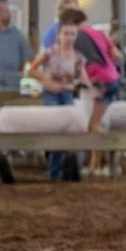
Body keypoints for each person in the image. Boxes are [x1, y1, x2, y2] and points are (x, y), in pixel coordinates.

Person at [28, 18, 97, 182]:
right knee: (57, 130)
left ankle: (71, 169)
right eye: (66, 33)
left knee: (73, 129)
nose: (69, 37)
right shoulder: (49, 52)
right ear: (59, 35)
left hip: (68, 94)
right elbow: (31, 70)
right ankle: (54, 171)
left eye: (72, 34)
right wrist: (46, 81)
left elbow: (83, 77)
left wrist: (89, 87)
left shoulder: (78, 57)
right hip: (51, 94)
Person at [0, 2, 29, 90]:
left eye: (9, 12)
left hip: (13, 85)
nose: (9, 14)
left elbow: (25, 58)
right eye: (6, 12)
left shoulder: (17, 35)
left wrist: (18, 75)